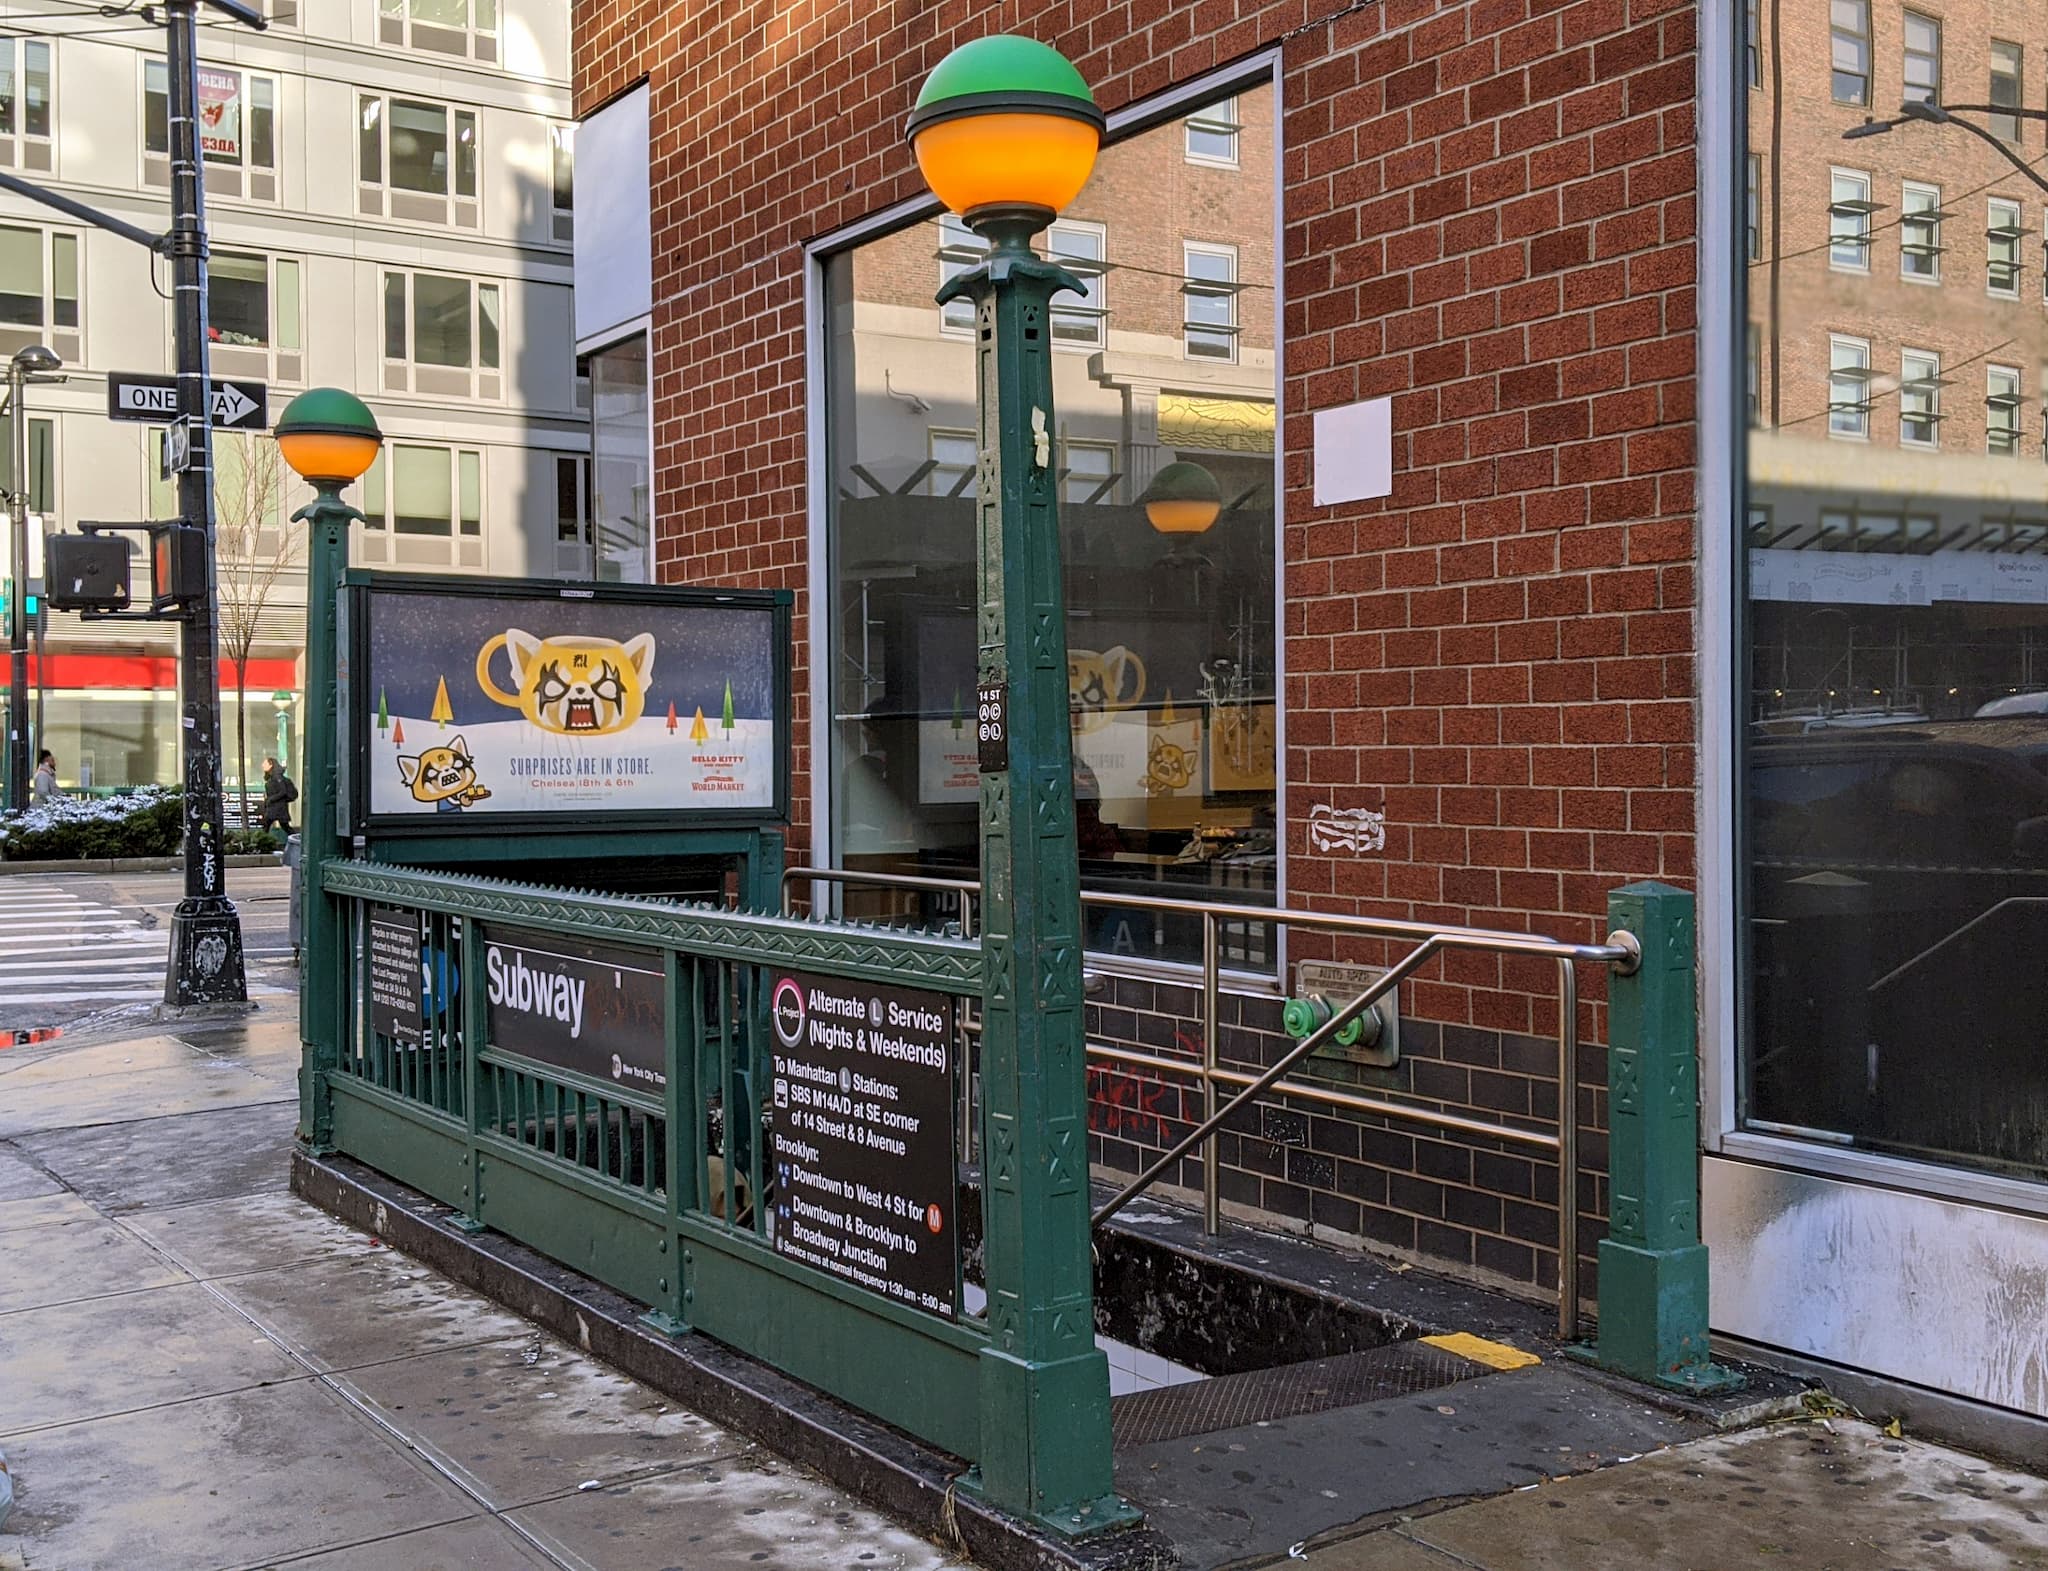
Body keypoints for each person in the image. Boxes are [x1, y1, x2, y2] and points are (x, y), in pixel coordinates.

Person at [260, 755, 298, 835]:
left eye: (265, 763)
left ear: (271, 765)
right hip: (276, 807)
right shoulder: (272, 777)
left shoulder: (277, 777)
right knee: (284, 826)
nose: (262, 765)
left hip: (278, 807)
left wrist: (271, 799)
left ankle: (297, 841)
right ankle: (296, 840)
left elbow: (283, 791)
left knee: (268, 826)